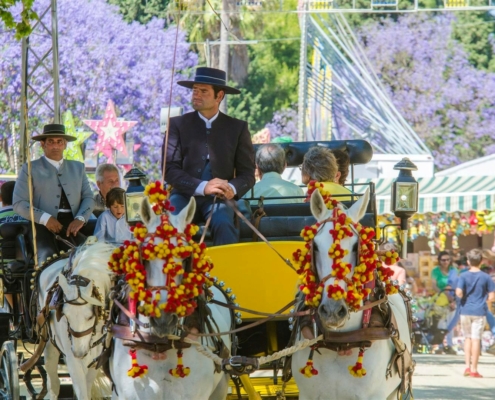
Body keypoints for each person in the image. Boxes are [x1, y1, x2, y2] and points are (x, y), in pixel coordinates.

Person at [164, 67, 255, 246]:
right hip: (182, 196)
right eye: (194, 90)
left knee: (224, 224)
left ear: (219, 96)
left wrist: (232, 188)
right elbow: (169, 170)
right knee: (170, 225)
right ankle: (170, 273)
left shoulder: (237, 128)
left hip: (219, 200)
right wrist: (203, 186)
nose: (196, 95)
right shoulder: (177, 125)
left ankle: (226, 273)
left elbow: (248, 175)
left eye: (203, 91)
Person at [13, 124, 95, 264]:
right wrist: (45, 218)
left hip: (72, 225)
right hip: (41, 226)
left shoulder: (78, 168)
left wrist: (81, 218)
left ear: (65, 145)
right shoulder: (30, 168)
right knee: (48, 260)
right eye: (51, 141)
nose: (55, 146)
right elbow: (19, 203)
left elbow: (88, 197)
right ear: (43, 144)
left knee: (87, 258)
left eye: (59, 142)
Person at [456, 248, 495, 377]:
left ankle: (467, 367)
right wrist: (484, 299)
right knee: (476, 339)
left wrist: (462, 297)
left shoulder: (463, 276)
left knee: (467, 338)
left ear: (468, 261)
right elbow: (492, 296)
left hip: (465, 310)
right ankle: (474, 369)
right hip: (479, 311)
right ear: (481, 261)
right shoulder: (486, 277)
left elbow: (459, 292)